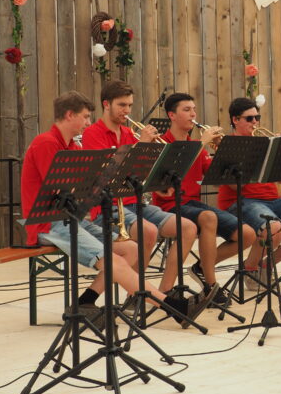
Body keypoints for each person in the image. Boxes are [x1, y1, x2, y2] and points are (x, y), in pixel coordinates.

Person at [21, 91, 212, 328]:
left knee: (131, 249)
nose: (88, 122)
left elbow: (90, 186)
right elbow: (65, 190)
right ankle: (174, 307)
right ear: (70, 115)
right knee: (114, 260)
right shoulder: (46, 143)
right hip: (49, 222)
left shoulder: (72, 146)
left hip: (74, 218)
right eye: (85, 117)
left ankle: (84, 303)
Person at [82, 80, 199, 301]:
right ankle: (138, 293)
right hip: (107, 206)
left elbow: (138, 173)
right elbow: (108, 175)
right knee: (148, 231)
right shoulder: (92, 134)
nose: (126, 111)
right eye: (121, 105)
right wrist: (141, 147)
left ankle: (163, 292)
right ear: (106, 104)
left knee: (187, 228)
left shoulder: (127, 132)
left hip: (135, 203)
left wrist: (156, 177)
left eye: (129, 105)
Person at [152, 92, 259, 304]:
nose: (193, 114)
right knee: (209, 217)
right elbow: (167, 180)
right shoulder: (162, 143)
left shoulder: (197, 145)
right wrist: (201, 144)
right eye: (186, 110)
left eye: (194, 109)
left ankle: (201, 268)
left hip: (192, 204)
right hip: (169, 205)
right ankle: (211, 286)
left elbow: (218, 177)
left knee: (247, 234)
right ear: (171, 115)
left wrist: (224, 153)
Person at [217, 97, 281, 287]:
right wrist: (253, 161)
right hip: (243, 200)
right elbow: (233, 186)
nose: (255, 122)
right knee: (273, 228)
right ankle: (250, 269)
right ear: (235, 120)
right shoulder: (228, 145)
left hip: (273, 199)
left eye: (257, 118)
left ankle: (265, 265)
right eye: (249, 119)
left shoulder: (264, 142)